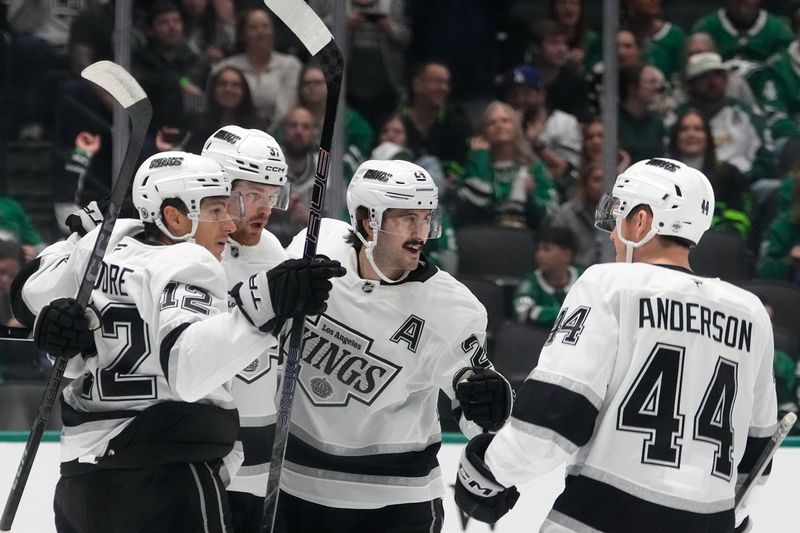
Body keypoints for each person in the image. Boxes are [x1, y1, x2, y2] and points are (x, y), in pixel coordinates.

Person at [15, 151, 344, 533]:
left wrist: (57, 315)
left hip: (82, 481)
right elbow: (187, 371)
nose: (227, 224)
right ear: (174, 217)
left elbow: (27, 296)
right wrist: (264, 307)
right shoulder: (192, 262)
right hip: (168, 479)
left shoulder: (101, 244)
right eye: (216, 211)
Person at [454, 157, 777, 532]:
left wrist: (490, 470)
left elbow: (556, 414)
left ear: (642, 221)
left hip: (602, 516)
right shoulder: (750, 313)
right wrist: (731, 510)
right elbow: (758, 450)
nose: (612, 233)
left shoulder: (609, 285)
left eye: (620, 215)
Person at [275, 159, 514, 533]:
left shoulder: (451, 307)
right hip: (295, 489)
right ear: (369, 221)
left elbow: (477, 412)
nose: (421, 232)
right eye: (407, 219)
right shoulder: (314, 251)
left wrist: (489, 407)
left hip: (397, 504)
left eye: (425, 219)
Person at [199, 125, 291, 532]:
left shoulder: (273, 252)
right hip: (197, 451)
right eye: (253, 194)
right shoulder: (187, 251)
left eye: (272, 196)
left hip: (260, 460)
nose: (265, 208)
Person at [455, 101, 557, 230]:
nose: (499, 125)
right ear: (484, 132)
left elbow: (550, 213)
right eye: (492, 123)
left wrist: (532, 196)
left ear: (515, 127)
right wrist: (480, 158)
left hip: (525, 235)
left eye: (505, 121)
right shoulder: (476, 163)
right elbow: (473, 204)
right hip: (483, 235)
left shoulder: (533, 165)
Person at [212, 7, 302, 127]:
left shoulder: (291, 66)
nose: (261, 31)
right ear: (243, 35)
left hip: (278, 136)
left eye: (265, 26)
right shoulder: (225, 67)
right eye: (253, 28)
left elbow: (286, 112)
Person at [512, 225, 583, 327]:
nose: (539, 254)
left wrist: (541, 312)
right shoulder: (530, 282)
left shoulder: (585, 278)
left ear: (567, 255)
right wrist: (572, 315)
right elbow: (523, 312)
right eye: (538, 249)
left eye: (546, 249)